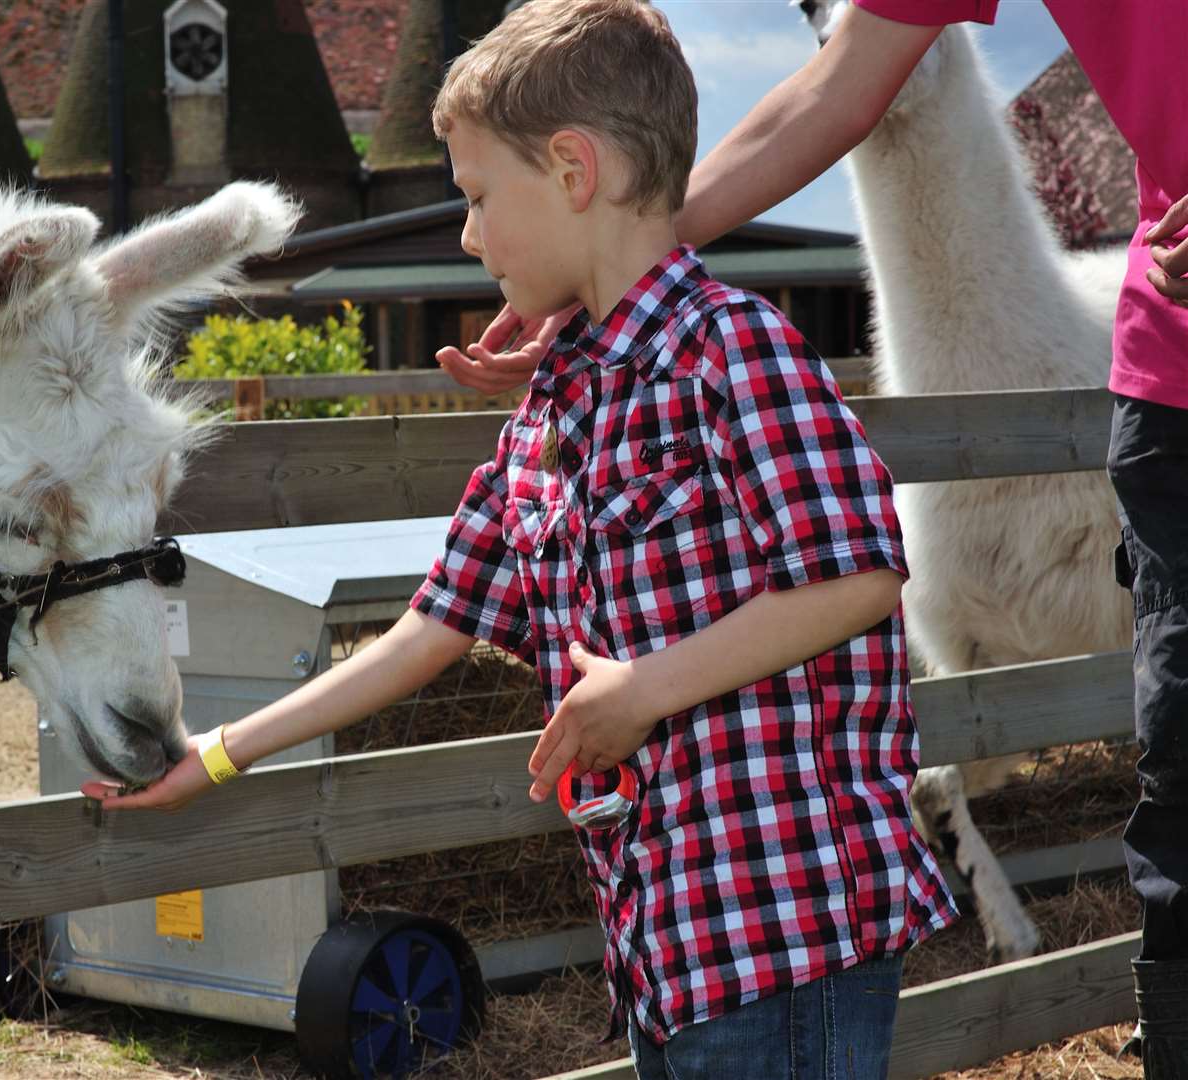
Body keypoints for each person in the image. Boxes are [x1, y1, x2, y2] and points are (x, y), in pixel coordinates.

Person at [88, 3, 957, 1075]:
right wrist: (211, 757)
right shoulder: (551, 412)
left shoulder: (734, 352)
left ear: (571, 170)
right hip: (663, 943)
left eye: (476, 197)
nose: (466, 234)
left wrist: (642, 690)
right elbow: (428, 629)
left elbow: (858, 575)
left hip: (783, 931)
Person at [436, 3, 1188, 1075]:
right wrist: (596, 262)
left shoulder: (739, 360)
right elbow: (839, 84)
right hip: (1173, 369)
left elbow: (848, 578)